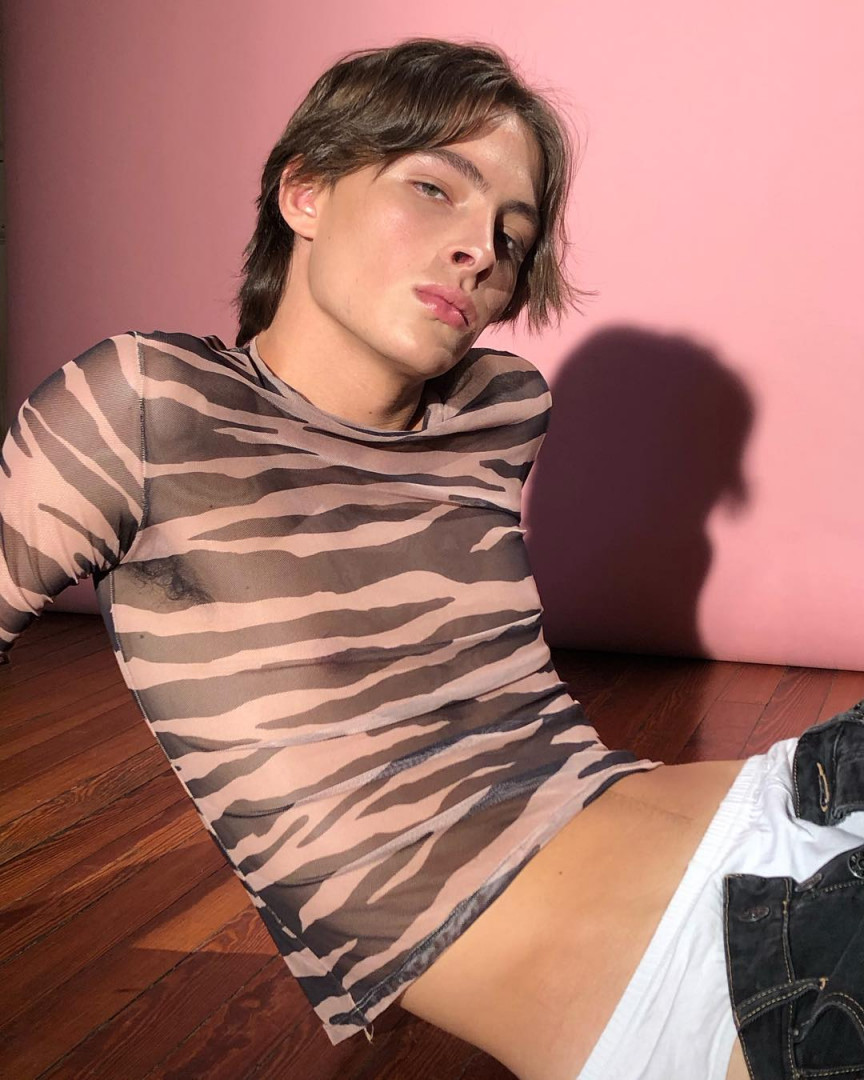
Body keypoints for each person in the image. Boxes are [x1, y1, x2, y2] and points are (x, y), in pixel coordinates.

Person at [1, 37, 862, 1080]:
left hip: (785, 796)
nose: (481, 251)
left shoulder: (499, 410)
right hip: (709, 980)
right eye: (434, 189)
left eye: (513, 232)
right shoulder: (147, 406)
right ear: (305, 191)